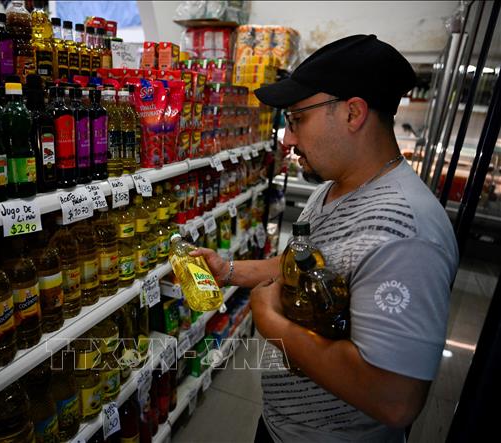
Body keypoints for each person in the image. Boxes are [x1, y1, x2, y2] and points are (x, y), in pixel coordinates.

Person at [191, 35, 458, 442]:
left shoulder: (406, 233)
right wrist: (228, 270)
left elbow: (394, 398)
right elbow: (313, 264)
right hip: (285, 427)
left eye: (297, 119)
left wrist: (270, 321)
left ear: (353, 113)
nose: (287, 139)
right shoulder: (332, 188)